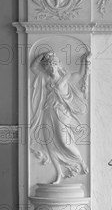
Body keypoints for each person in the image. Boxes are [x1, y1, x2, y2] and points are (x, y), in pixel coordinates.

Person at [30, 50, 91, 184]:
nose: (51, 69)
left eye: (53, 65)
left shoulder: (66, 77)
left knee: (64, 141)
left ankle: (81, 161)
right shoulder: (45, 78)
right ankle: (58, 174)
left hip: (62, 113)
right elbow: (33, 68)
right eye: (48, 66)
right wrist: (43, 56)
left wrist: (85, 61)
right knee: (50, 144)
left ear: (58, 66)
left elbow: (81, 74)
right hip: (48, 113)